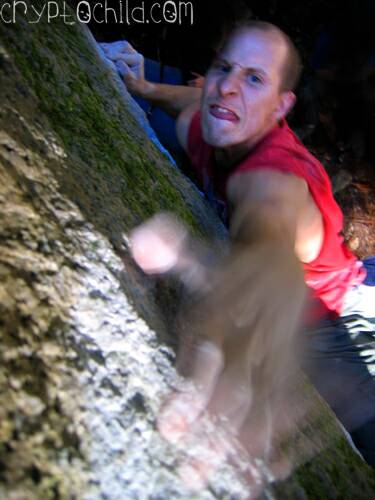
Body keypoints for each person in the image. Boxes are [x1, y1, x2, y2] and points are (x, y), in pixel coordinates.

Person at [101, 21, 375, 479]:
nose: (227, 88)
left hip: (332, 310)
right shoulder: (215, 120)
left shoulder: (271, 177)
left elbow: (270, 247)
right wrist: (142, 85)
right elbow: (190, 101)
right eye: (223, 68)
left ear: (280, 107)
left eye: (253, 79)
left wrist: (238, 303)